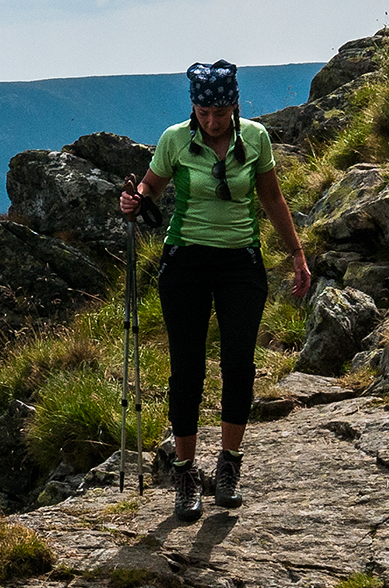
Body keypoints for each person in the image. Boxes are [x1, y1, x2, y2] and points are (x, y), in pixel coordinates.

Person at [116, 62, 313, 522]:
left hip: (239, 262)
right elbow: (151, 184)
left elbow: (271, 197)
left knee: (238, 363)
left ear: (235, 105)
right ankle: (185, 475)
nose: (212, 121)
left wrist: (298, 255)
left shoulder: (256, 139)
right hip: (185, 261)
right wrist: (136, 198)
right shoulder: (174, 140)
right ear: (194, 107)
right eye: (204, 112)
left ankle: (229, 466)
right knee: (187, 367)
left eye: (220, 112)